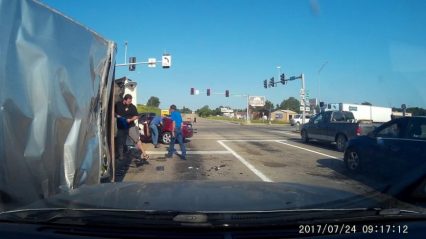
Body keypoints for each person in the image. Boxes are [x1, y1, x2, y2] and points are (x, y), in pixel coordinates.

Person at [115, 94, 149, 161]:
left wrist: (130, 120)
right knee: (120, 142)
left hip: (130, 126)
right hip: (121, 127)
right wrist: (117, 116)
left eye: (130, 101)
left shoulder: (132, 107)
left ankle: (144, 154)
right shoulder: (118, 105)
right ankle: (121, 156)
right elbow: (113, 112)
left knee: (137, 139)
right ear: (124, 100)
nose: (129, 103)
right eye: (128, 101)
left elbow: (136, 116)